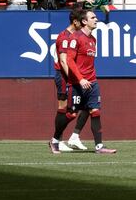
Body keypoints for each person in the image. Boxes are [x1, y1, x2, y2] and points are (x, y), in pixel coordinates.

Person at [65, 10, 115, 153]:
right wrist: (80, 79)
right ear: (84, 21)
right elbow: (69, 60)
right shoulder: (76, 38)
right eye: (93, 17)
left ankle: (99, 146)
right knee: (71, 114)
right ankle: (56, 137)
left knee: (95, 111)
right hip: (78, 83)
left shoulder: (93, 40)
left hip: (92, 82)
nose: (96, 19)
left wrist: (88, 79)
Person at [49, 8, 89, 153]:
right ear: (75, 22)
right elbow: (64, 61)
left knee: (87, 107)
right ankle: (57, 141)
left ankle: (74, 136)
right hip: (64, 76)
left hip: (76, 77)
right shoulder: (64, 37)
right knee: (64, 109)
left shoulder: (78, 36)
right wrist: (75, 79)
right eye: (82, 21)